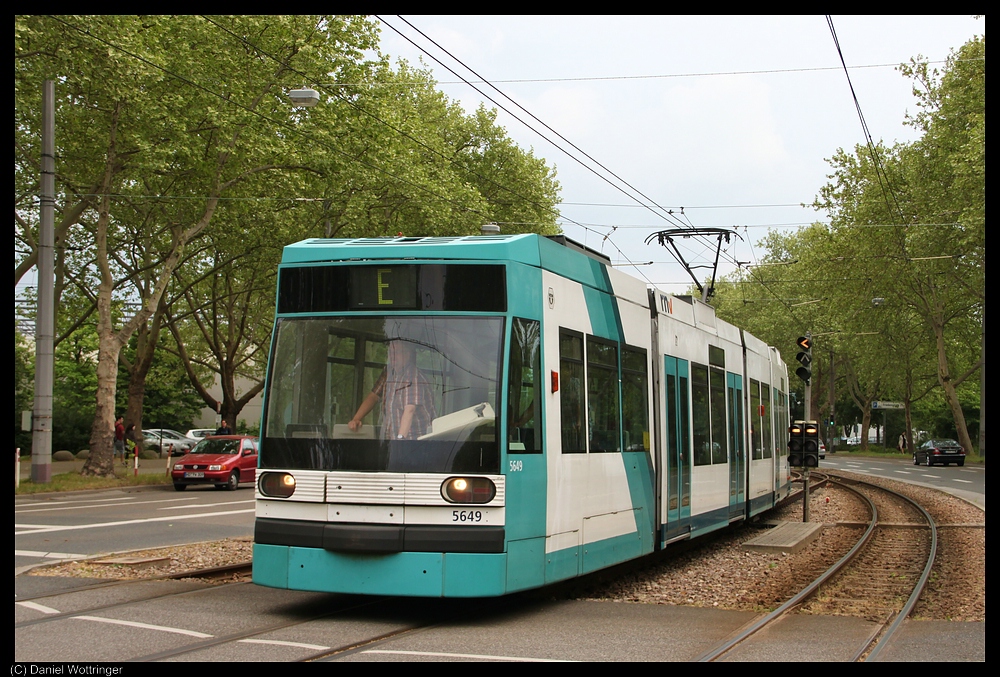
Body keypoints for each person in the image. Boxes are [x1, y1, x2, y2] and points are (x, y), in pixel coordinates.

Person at [348, 339, 436, 440]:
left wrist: (400, 439)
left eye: (397, 352)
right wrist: (356, 419)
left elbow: (409, 410)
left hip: (415, 443)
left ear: (407, 355)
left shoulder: (413, 376)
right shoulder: (388, 372)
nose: (393, 356)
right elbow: (373, 396)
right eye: (390, 352)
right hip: (393, 442)